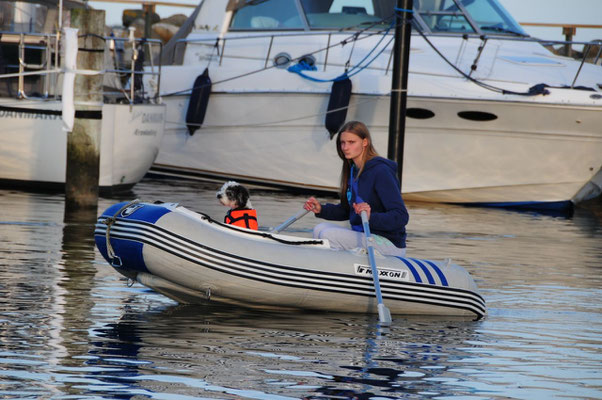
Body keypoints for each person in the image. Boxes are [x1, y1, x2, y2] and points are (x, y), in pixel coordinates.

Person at [304, 121, 409, 257]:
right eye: (342, 143)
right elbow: (347, 211)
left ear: (365, 142)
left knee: (328, 235)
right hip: (365, 234)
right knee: (320, 229)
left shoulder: (381, 171)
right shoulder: (353, 169)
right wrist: (321, 209)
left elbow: (401, 216)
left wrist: (371, 216)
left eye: (351, 142)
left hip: (389, 242)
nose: (345, 147)